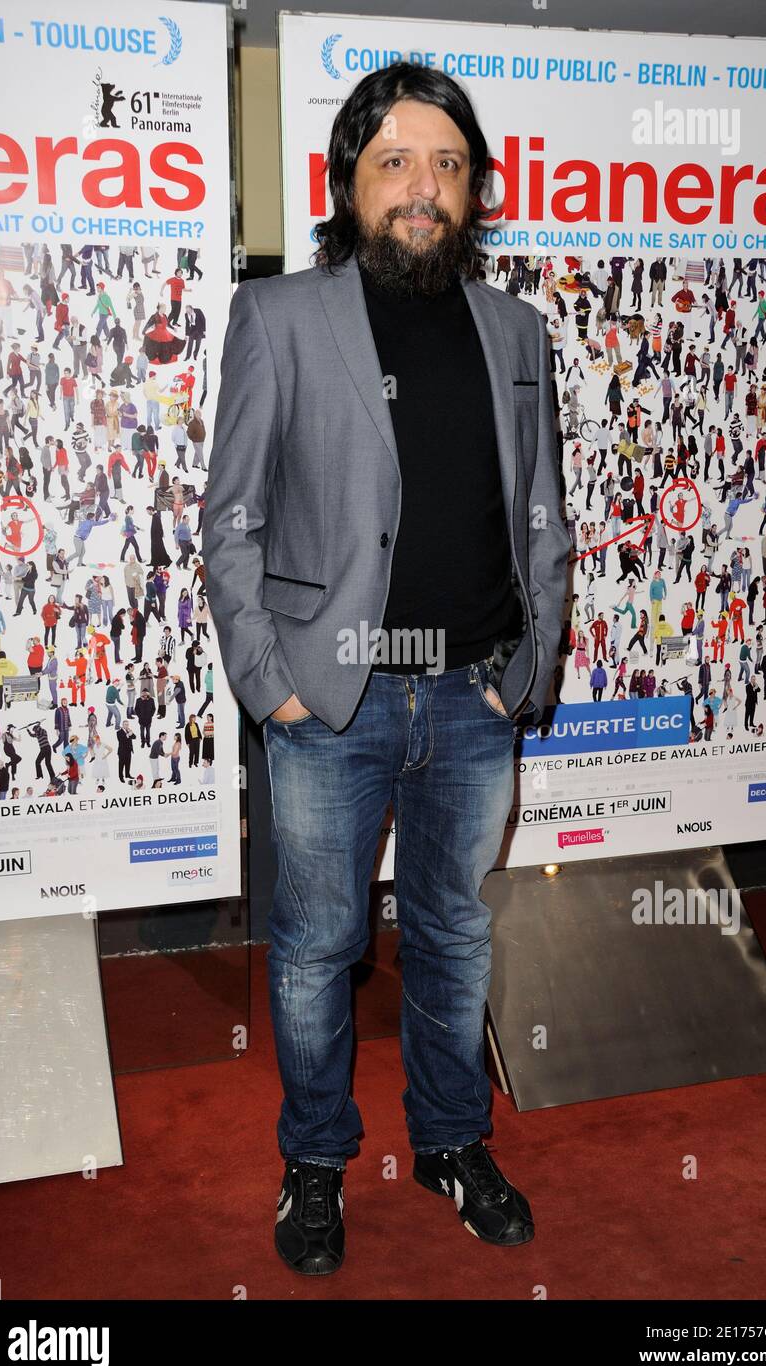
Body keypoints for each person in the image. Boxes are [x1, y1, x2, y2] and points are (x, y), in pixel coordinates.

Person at [204, 63, 570, 1276]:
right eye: (396, 161)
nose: (424, 186)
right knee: (316, 950)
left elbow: (539, 515)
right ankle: (315, 1160)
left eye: (447, 164)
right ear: (347, 182)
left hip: (471, 699)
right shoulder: (278, 317)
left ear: (473, 190)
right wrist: (274, 684)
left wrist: (529, 666)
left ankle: (452, 1141)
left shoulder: (516, 332)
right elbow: (232, 522)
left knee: (455, 940)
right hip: (330, 700)